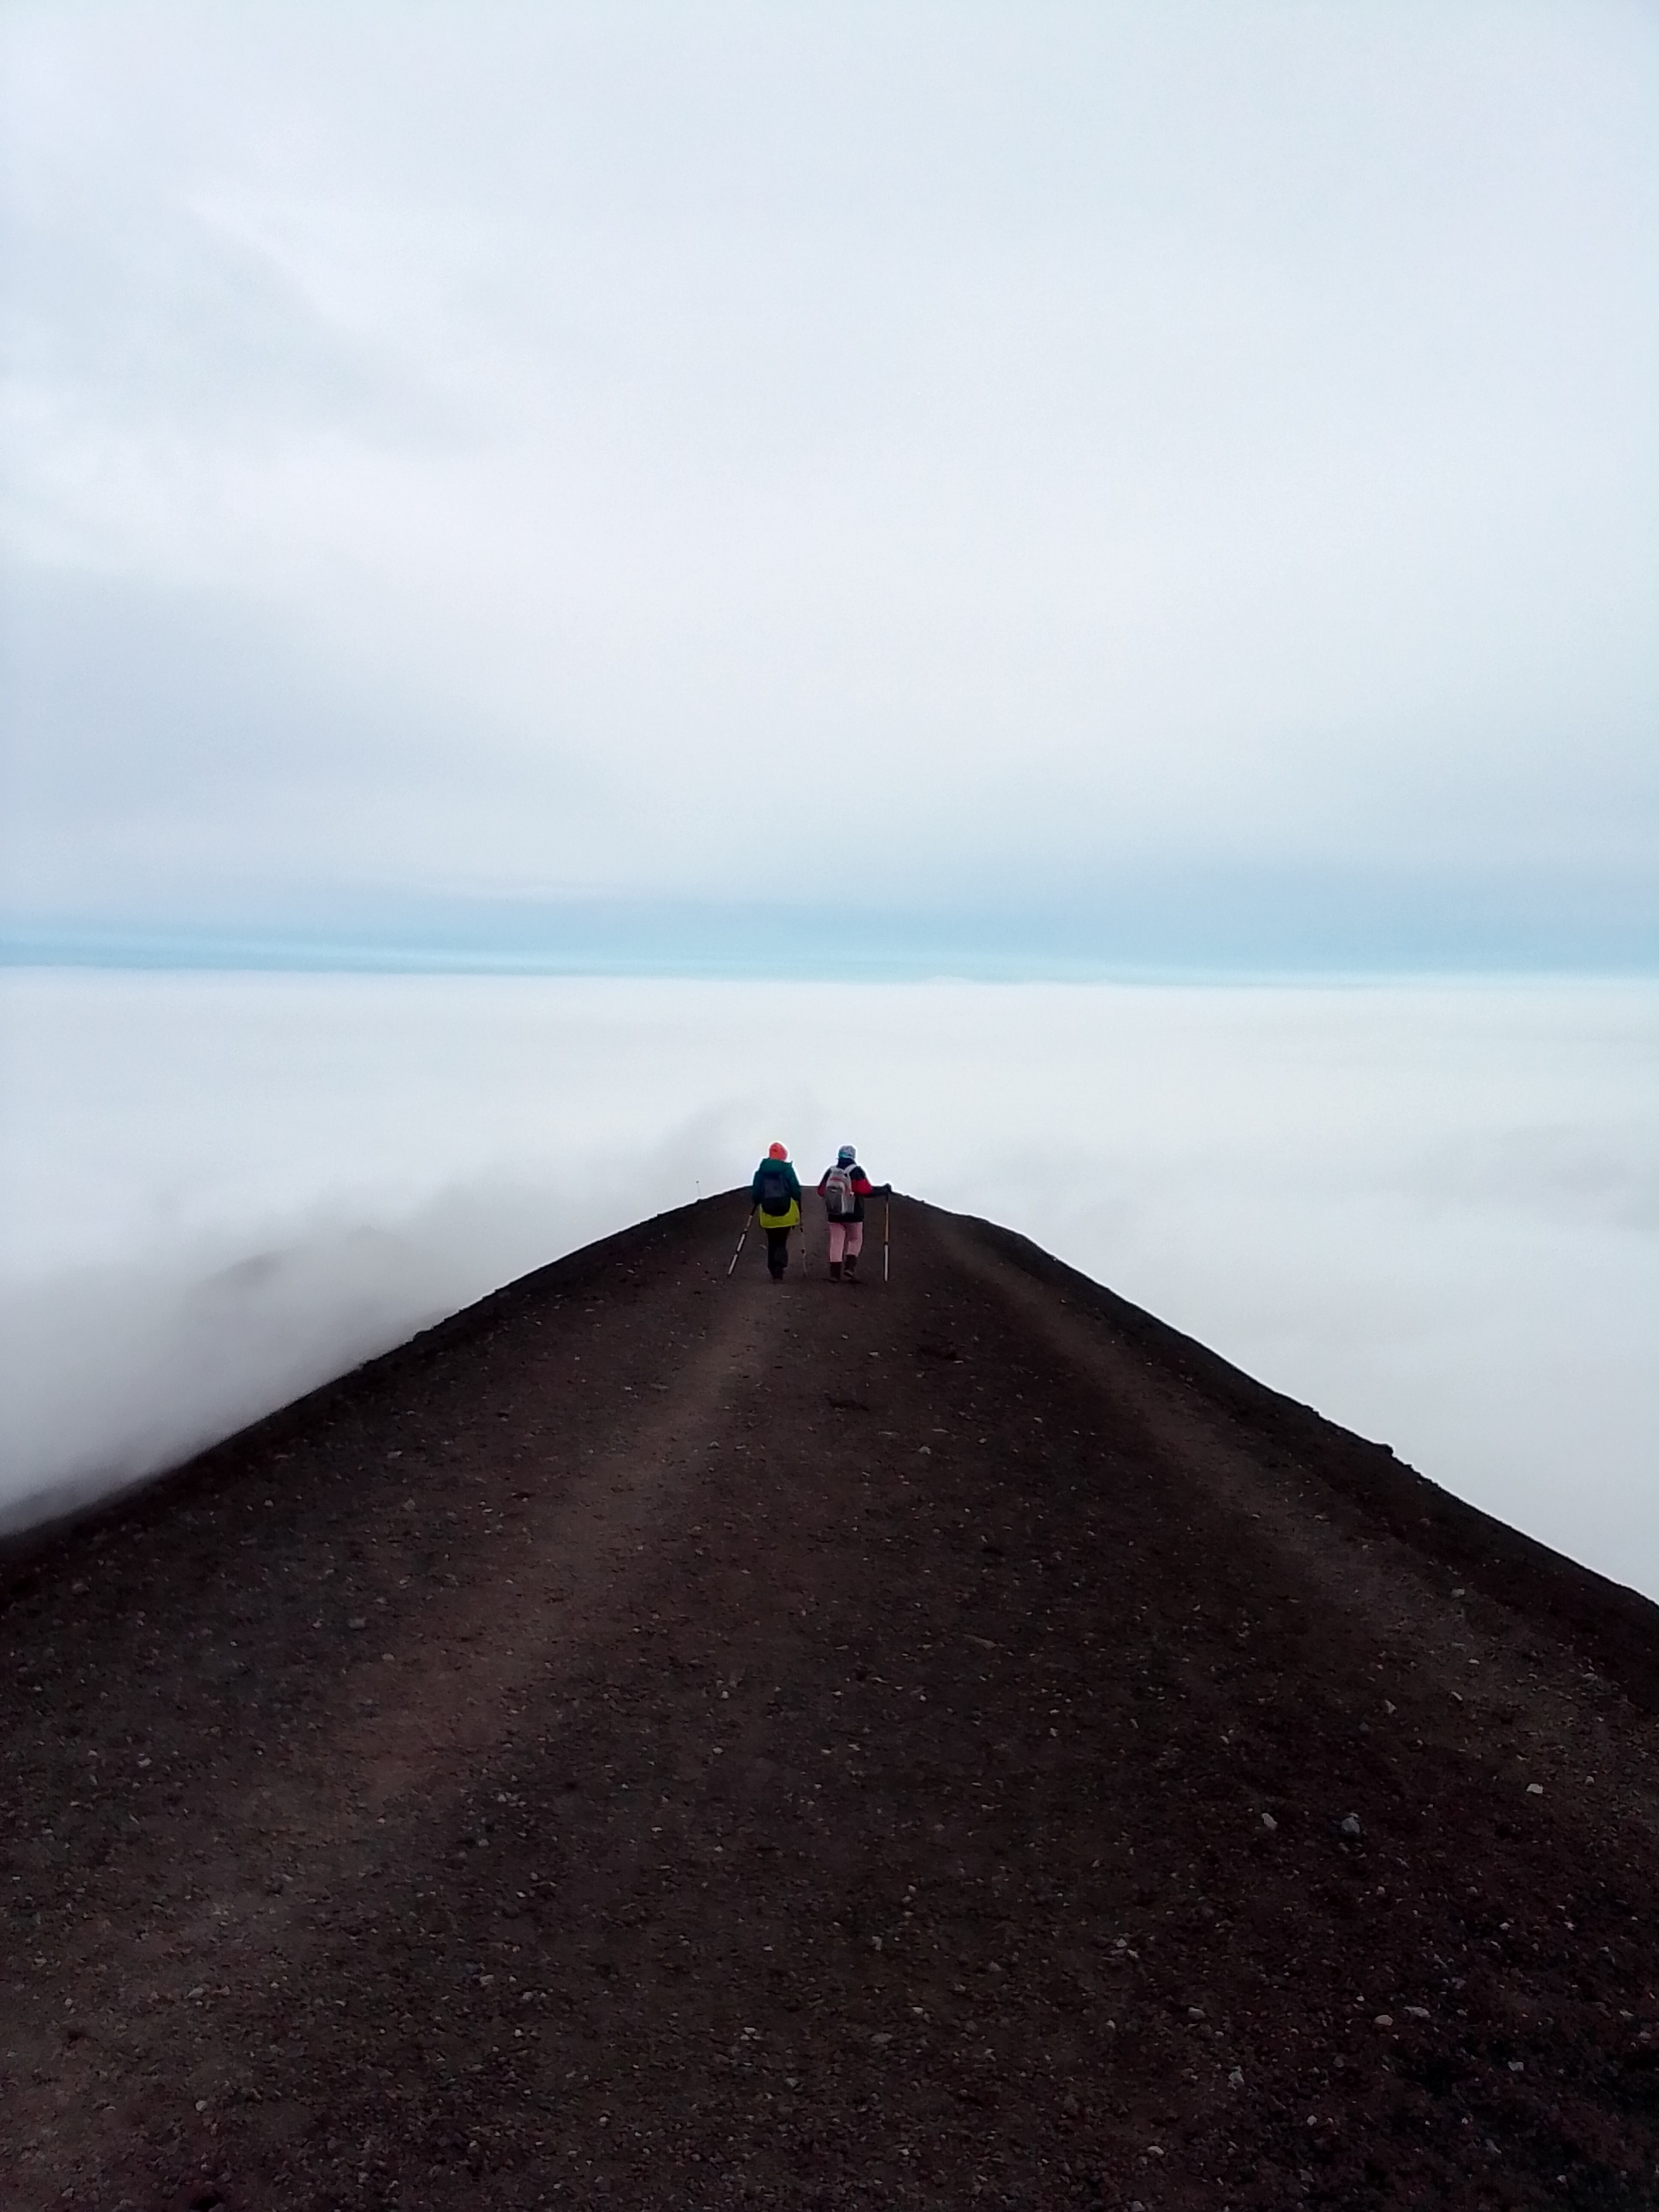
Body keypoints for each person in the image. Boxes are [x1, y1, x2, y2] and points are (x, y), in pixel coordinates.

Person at [817, 1144, 889, 1282]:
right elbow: (865, 1190)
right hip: (854, 1213)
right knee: (855, 1239)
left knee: (836, 1241)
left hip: (834, 1213)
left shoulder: (831, 1171)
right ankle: (849, 1268)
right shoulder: (856, 1171)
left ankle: (834, 1274)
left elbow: (821, 1191)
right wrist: (883, 1190)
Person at [750, 1142, 802, 1281]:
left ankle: (772, 1267)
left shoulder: (760, 1172)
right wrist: (798, 1197)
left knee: (772, 1240)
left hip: (767, 1212)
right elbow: (796, 1191)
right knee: (781, 1240)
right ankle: (779, 1266)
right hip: (786, 1212)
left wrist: (757, 1201)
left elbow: (755, 1193)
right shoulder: (787, 1170)